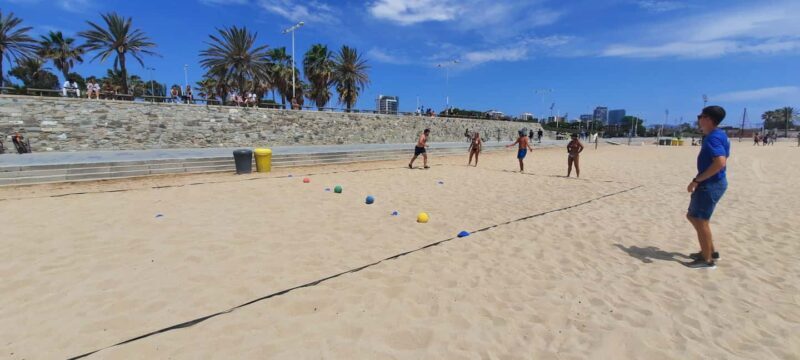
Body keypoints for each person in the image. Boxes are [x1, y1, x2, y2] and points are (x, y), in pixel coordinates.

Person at [686, 106, 730, 269]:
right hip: (713, 182)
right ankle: (709, 251)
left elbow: (720, 162)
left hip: (711, 183)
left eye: (701, 116)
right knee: (692, 216)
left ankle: (707, 260)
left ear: (709, 119)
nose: (699, 119)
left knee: (700, 220)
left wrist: (697, 180)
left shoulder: (713, 138)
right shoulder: (717, 135)